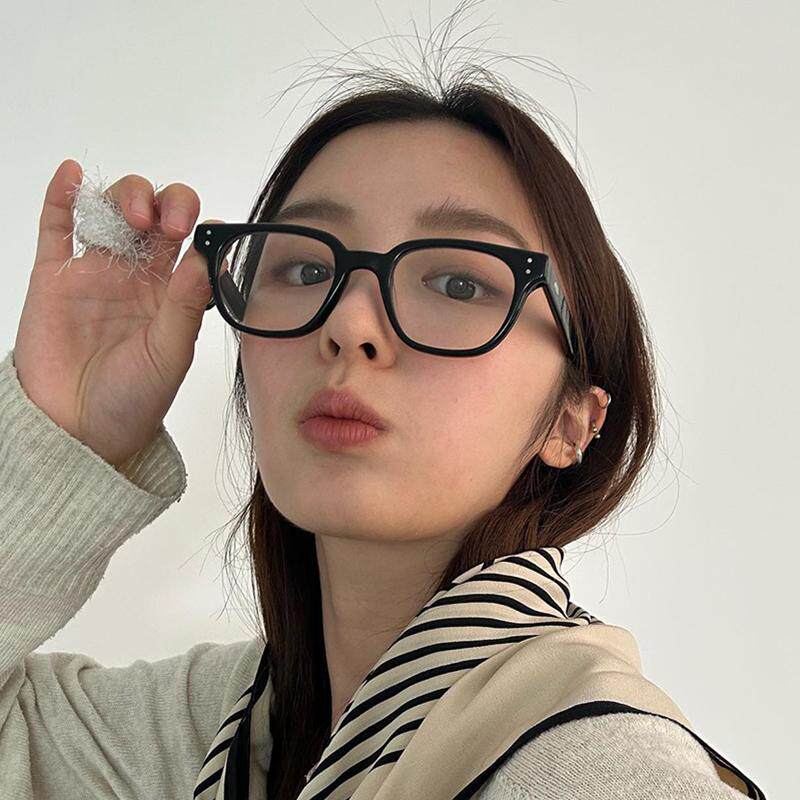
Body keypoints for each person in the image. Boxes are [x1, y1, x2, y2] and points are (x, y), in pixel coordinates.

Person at [1, 72, 765, 800]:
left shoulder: (595, 770)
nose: (349, 323)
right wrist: (60, 429)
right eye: (305, 269)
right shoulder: (212, 732)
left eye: (458, 283)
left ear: (573, 421)